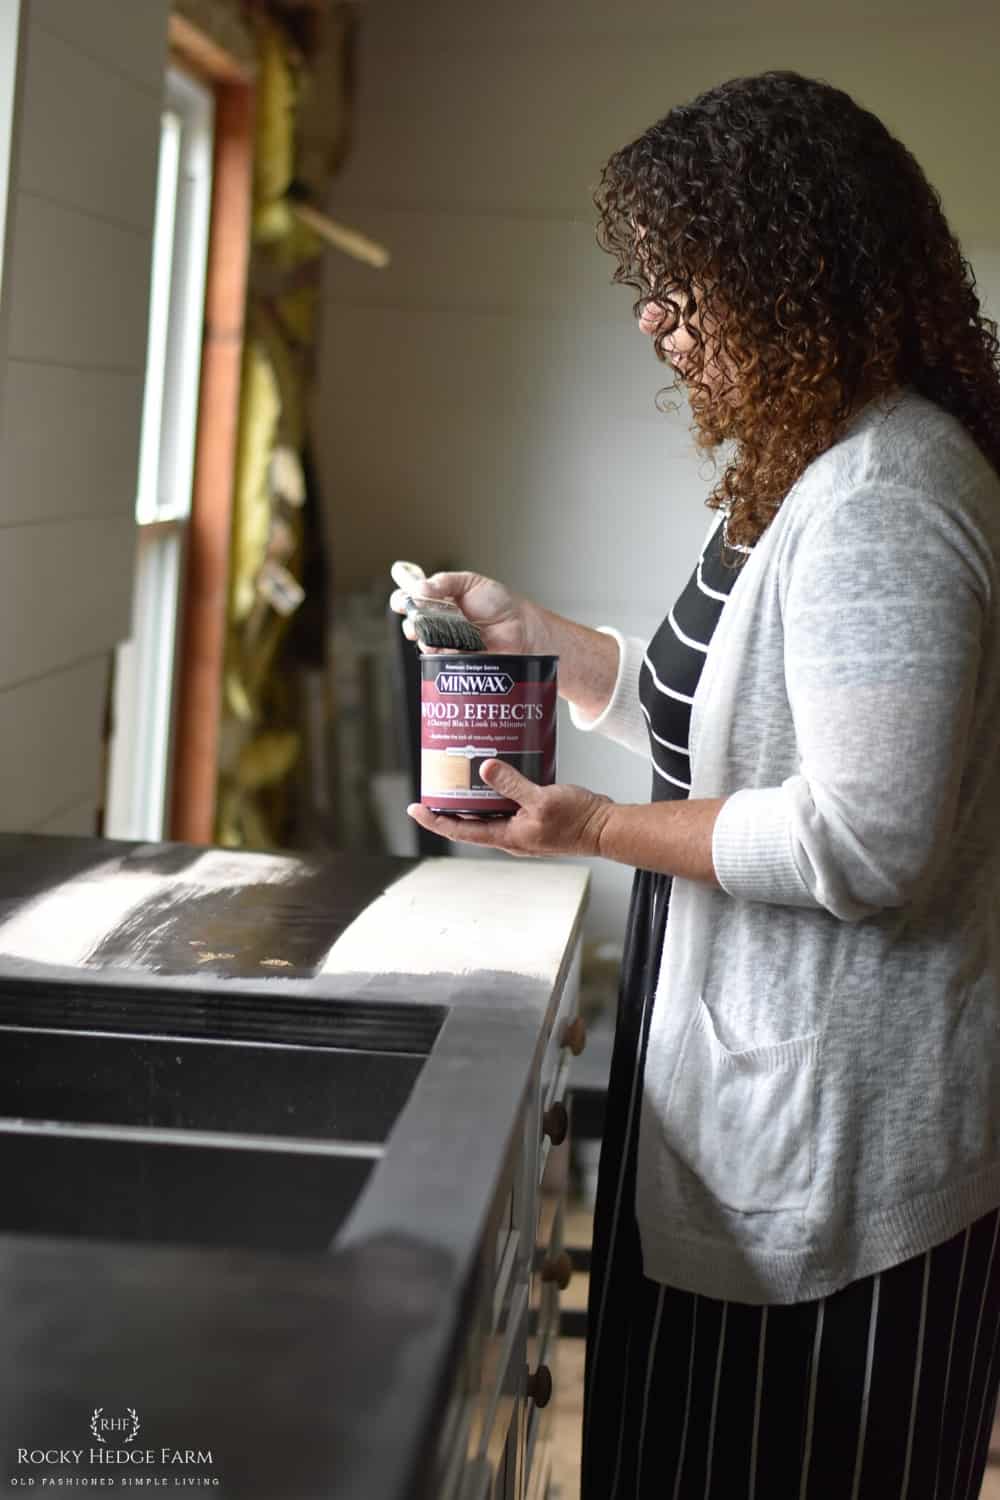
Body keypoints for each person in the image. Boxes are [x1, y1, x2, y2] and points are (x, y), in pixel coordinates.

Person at [392, 71, 1000, 1499]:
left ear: (796, 278)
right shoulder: (808, 466)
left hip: (847, 1156)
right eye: (647, 291)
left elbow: (869, 836)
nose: (656, 325)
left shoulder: (887, 496)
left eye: (686, 289)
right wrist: (550, 645)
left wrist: (589, 830)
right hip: (746, 1102)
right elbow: (720, 728)